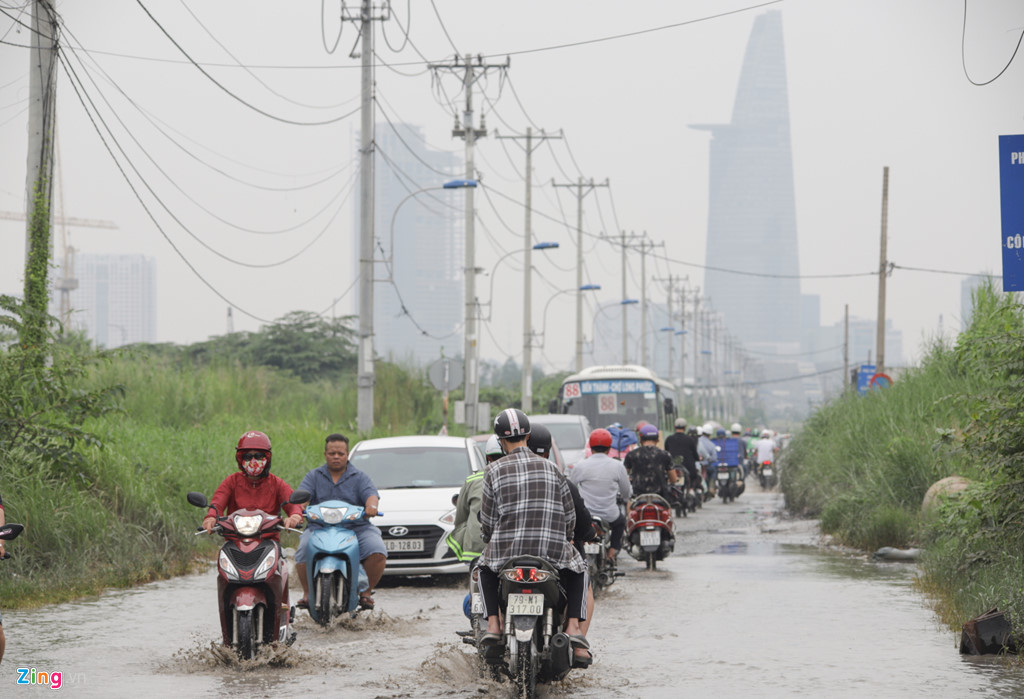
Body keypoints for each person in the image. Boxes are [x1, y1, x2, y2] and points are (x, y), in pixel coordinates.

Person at [477, 409, 590, 663]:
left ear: (501, 441)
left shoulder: (492, 471)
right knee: (581, 568)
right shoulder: (552, 468)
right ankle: (573, 626)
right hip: (551, 554)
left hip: (506, 556)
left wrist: (489, 538)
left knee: (482, 567)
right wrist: (567, 536)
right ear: (527, 437)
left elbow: (488, 522)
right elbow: (569, 516)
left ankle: (493, 625)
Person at [528, 423, 597, 665]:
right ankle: (575, 633)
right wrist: (585, 533)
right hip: (556, 555)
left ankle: (494, 625)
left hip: (511, 554)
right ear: (548, 452)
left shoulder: (504, 475)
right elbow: (578, 522)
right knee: (582, 576)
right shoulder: (561, 480)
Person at [294, 433, 387, 611]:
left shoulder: (360, 477)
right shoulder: (313, 476)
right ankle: (308, 594)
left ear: (347, 455)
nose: (336, 457)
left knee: (377, 551)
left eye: (340, 453)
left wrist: (371, 506)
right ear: (325, 454)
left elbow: (371, 495)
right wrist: (296, 513)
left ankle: (366, 592)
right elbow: (301, 500)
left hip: (356, 528)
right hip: (319, 528)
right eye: (332, 453)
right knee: (303, 549)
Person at [202, 430, 304, 537]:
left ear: (267, 458)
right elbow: (217, 503)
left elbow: (292, 503)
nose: (253, 461)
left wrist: (295, 516)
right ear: (240, 459)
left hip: (268, 541)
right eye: (247, 457)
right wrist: (211, 517)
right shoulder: (231, 481)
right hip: (235, 541)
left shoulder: (276, 483)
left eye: (259, 456)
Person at [569, 428, 631, 562]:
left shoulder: (580, 466)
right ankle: (612, 552)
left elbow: (570, 489)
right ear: (609, 449)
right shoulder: (618, 466)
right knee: (621, 523)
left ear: (591, 448)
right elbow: (626, 491)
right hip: (610, 515)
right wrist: (625, 498)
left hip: (587, 515)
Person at [446, 435, 503, 564]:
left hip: (475, 552)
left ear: (488, 457)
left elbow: (461, 518)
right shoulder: (518, 478)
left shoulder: (472, 481)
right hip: (509, 551)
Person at [623, 424, 675, 500]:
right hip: (661, 497)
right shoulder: (666, 455)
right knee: (668, 510)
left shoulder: (632, 455)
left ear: (640, 439)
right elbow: (673, 479)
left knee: (629, 504)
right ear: (657, 439)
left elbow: (623, 476)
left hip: (637, 497)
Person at [663, 418, 701, 494]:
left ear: (674, 427)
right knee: (694, 476)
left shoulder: (669, 439)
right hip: (688, 467)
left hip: (672, 467)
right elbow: (695, 454)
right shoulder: (690, 439)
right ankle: (691, 490)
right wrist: (698, 458)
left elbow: (666, 452)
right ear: (685, 427)